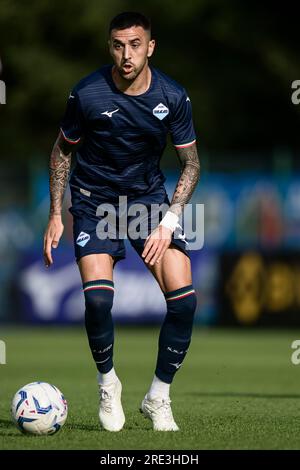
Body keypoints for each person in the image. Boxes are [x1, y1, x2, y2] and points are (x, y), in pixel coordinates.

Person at [43, 11, 200, 432]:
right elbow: (62, 152)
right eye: (117, 45)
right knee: (97, 300)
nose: (125, 54)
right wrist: (56, 212)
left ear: (150, 47)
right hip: (94, 202)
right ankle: (107, 383)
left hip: (148, 203)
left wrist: (169, 220)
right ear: (110, 46)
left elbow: (191, 164)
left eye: (134, 45)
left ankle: (158, 397)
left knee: (184, 300)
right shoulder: (87, 93)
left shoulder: (174, 96)